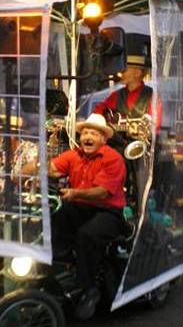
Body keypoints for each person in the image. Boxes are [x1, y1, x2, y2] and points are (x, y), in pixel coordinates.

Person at [48, 113, 127, 321]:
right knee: (55, 216)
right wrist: (29, 170)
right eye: (85, 133)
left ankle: (88, 289)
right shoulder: (74, 155)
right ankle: (59, 271)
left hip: (108, 211)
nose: (88, 137)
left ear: (103, 139)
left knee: (87, 235)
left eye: (93, 133)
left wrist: (74, 193)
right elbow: (52, 168)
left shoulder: (113, 158)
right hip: (80, 207)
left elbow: (102, 192)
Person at [93, 54, 161, 209]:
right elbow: (99, 110)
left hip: (142, 148)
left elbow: (154, 125)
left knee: (140, 177)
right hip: (118, 146)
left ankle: (141, 207)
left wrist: (145, 131)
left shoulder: (152, 96)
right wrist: (97, 122)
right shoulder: (117, 95)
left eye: (125, 69)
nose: (120, 73)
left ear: (138, 73)